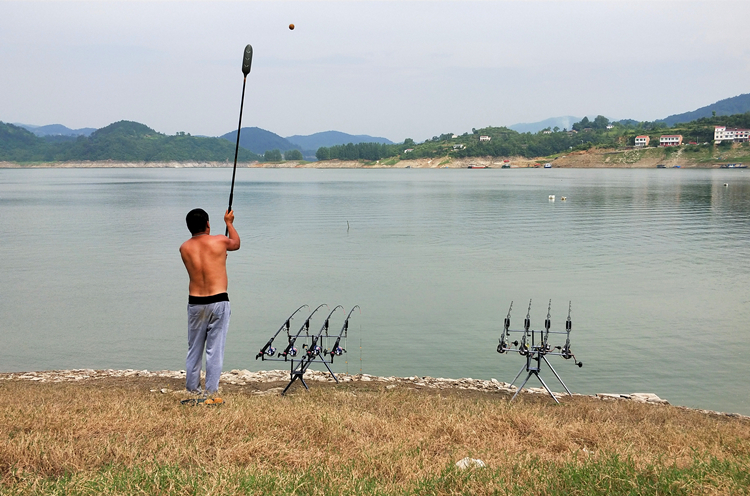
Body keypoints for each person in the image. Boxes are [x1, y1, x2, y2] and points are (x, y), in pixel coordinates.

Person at [179, 208, 240, 400]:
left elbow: (203, 262)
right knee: (215, 350)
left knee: (194, 348)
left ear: (189, 227)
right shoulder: (220, 240)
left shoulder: (184, 248)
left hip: (196, 302)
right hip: (218, 300)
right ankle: (211, 392)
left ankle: (192, 390)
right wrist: (229, 222)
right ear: (207, 224)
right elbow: (236, 244)